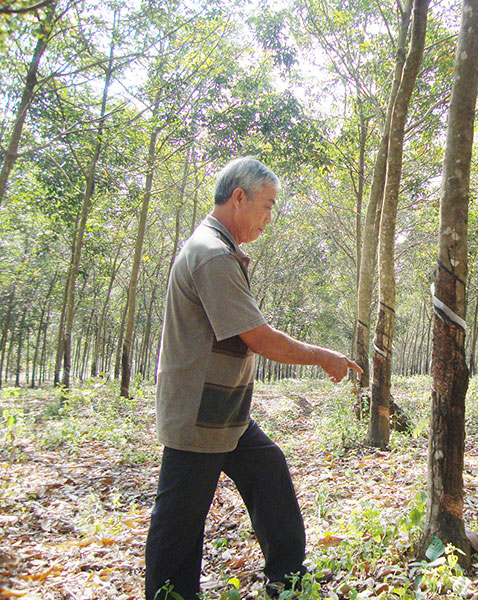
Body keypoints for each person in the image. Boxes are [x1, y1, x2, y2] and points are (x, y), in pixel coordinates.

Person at [145, 157, 361, 600]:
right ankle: (168, 593)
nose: (268, 218)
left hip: (224, 412)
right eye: (266, 206)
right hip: (198, 413)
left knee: (268, 473)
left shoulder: (218, 249)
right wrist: (324, 357)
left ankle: (287, 575)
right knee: (180, 520)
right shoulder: (212, 255)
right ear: (238, 197)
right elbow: (260, 338)